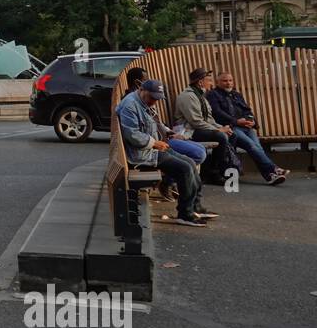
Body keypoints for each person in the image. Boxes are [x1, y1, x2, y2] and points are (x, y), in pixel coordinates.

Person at [116, 80, 213, 227]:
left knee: (191, 163)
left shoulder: (143, 101)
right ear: (142, 90)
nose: (154, 102)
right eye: (152, 98)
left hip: (154, 148)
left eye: (157, 98)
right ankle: (185, 214)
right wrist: (154, 143)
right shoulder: (130, 106)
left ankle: (194, 207)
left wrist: (167, 131)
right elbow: (133, 135)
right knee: (185, 169)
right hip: (142, 154)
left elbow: (155, 122)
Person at [174, 67, 258, 184]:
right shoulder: (188, 96)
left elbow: (208, 118)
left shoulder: (200, 96)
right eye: (209, 80)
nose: (211, 83)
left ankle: (225, 169)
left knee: (231, 134)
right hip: (189, 131)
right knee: (221, 136)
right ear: (200, 82)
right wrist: (218, 129)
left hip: (198, 129)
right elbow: (196, 122)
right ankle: (213, 174)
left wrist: (222, 127)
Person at [207, 71, 289, 183]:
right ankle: (274, 169)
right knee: (252, 146)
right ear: (218, 82)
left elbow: (247, 110)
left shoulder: (237, 95)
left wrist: (252, 121)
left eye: (230, 80)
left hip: (246, 127)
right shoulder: (213, 94)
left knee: (258, 147)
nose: (228, 83)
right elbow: (217, 113)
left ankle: (270, 176)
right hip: (231, 127)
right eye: (225, 81)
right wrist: (236, 121)